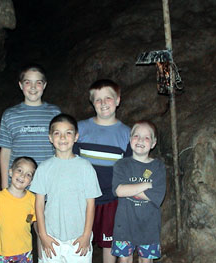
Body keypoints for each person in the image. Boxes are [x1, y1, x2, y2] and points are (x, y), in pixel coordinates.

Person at [30, 113, 102, 263]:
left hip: (78, 238)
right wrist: (42, 235)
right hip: (52, 238)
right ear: (50, 137)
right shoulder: (44, 168)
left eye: (68, 133)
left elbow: (91, 204)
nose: (63, 138)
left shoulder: (85, 168)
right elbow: (39, 204)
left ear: (76, 136)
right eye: (57, 133)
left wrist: (86, 235)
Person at [73, 79, 131, 263]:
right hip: (82, 199)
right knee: (79, 242)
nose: (104, 103)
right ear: (92, 102)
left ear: (118, 100)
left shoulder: (127, 134)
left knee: (108, 244)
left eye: (108, 98)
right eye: (98, 99)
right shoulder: (80, 129)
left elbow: (128, 170)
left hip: (111, 200)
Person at [0, 63, 61, 189]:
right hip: (18, 186)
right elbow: (5, 152)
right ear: (20, 85)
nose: (33, 87)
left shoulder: (55, 113)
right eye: (27, 82)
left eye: (38, 82)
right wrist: (5, 186)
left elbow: (60, 150)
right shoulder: (10, 115)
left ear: (44, 85)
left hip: (47, 185)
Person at [111, 121, 166, 263]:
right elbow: (119, 190)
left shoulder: (158, 167)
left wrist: (130, 188)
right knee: (124, 260)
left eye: (146, 137)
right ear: (130, 140)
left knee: (146, 260)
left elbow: (157, 196)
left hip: (149, 226)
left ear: (153, 143)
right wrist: (146, 184)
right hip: (124, 224)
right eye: (136, 136)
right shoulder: (121, 165)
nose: (141, 140)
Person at [0, 156, 38, 263]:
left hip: (24, 250)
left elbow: (31, 216)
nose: (22, 176)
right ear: (10, 172)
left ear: (31, 181)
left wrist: (25, 221)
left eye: (28, 174)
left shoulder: (32, 199)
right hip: (3, 251)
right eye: (19, 170)